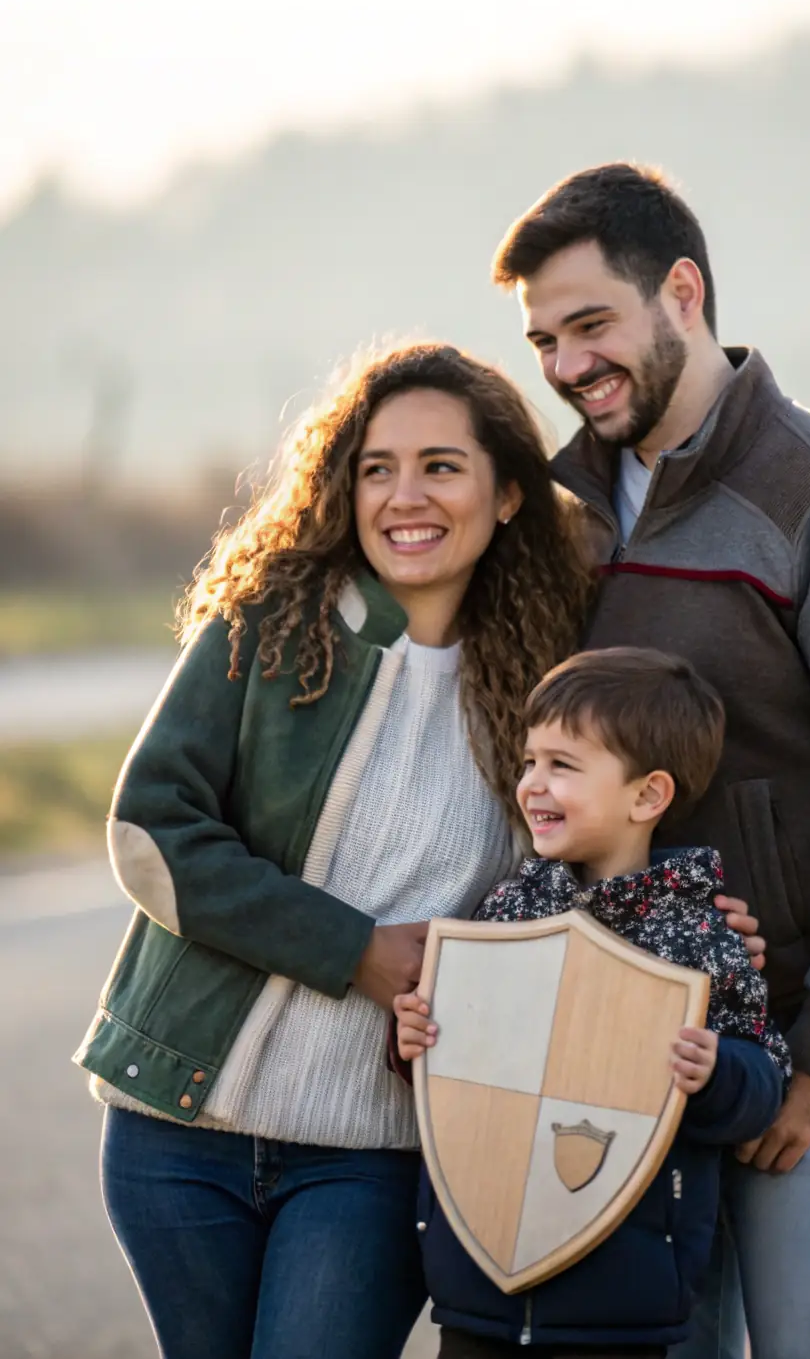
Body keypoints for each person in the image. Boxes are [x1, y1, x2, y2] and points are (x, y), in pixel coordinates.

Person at [490, 164, 810, 1358]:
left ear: (682, 291)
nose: (565, 367)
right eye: (544, 340)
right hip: (612, 1051)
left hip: (795, 1052)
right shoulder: (565, 517)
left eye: (590, 325)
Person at [73, 342, 595, 1359]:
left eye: (441, 465)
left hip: (381, 1148)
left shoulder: (549, 687)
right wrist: (354, 951)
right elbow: (150, 833)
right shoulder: (266, 628)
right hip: (177, 1125)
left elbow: (579, 871)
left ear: (507, 497)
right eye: (376, 466)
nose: (406, 495)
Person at [396, 647, 790, 1358]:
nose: (532, 784)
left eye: (563, 765)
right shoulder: (507, 912)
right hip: (478, 1283)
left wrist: (719, 1069)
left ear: (648, 796)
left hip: (621, 1297)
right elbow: (455, 1073)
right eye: (529, 761)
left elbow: (764, 1079)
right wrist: (413, 1040)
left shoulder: (699, 935)